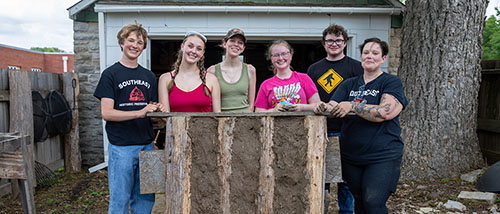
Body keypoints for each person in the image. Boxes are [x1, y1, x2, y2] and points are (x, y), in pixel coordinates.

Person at [314, 37, 408, 214]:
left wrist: (352, 106)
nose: (369, 56)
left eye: (375, 53)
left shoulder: (390, 82)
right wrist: (323, 107)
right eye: (366, 53)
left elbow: (385, 111)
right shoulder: (350, 84)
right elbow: (334, 104)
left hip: (383, 155)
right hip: (352, 156)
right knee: (360, 201)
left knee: (373, 203)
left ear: (383, 58)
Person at [93, 21, 165, 214]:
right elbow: (106, 113)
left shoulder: (149, 76)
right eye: (131, 40)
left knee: (145, 197)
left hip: (147, 145)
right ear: (122, 43)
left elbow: (151, 113)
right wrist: (139, 112)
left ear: (143, 47)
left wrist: (157, 110)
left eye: (139, 42)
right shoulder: (110, 74)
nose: (135, 45)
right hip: (121, 147)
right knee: (120, 198)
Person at [307, 24, 362, 214]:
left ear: (345, 43)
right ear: (324, 44)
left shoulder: (356, 67)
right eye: (330, 40)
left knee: (347, 179)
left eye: (338, 40)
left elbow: (361, 96)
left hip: (348, 129)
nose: (334, 44)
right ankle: (320, 209)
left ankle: (346, 212)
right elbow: (309, 97)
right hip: (322, 129)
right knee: (322, 177)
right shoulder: (314, 69)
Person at [158, 31, 221, 112]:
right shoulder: (165, 79)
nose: (194, 51)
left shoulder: (212, 80)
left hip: (204, 125)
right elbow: (164, 116)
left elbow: (218, 116)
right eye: (190, 46)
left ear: (202, 53)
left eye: (199, 49)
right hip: (175, 125)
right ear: (182, 46)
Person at [254, 40, 320, 112]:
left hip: (301, 122)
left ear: (291, 55)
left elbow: (317, 105)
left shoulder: (304, 78)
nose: (280, 58)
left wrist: (301, 107)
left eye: (284, 54)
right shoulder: (265, 84)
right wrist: (274, 111)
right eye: (276, 55)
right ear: (271, 58)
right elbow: (258, 112)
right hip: (275, 123)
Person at [207, 28, 257, 112]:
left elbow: (251, 104)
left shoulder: (250, 70)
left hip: (244, 119)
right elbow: (210, 103)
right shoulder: (212, 71)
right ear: (224, 44)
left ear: (243, 48)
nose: (236, 44)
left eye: (240, 43)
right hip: (222, 119)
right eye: (232, 41)